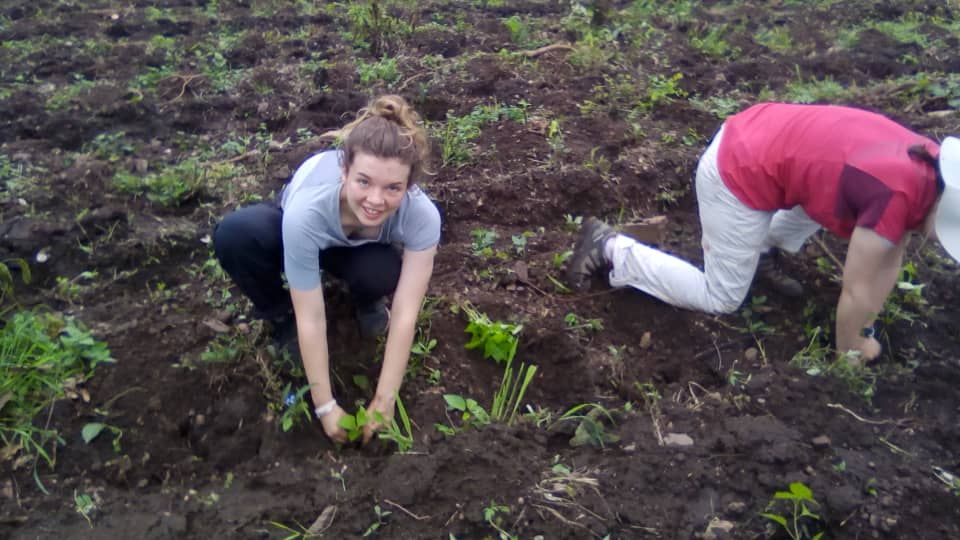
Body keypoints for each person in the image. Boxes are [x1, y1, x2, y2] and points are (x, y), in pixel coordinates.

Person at [566, 102, 960, 364]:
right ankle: (612, 247)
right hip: (736, 169)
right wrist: (851, 352)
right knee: (720, 296)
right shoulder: (895, 195)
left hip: (766, 134)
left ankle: (761, 250)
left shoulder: (925, 162)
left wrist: (867, 329)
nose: (942, 245)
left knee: (834, 192)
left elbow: (890, 258)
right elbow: (857, 289)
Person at [213, 95, 441, 443]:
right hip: (301, 232)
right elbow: (313, 318)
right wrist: (325, 406)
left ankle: (365, 299)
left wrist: (384, 400)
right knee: (237, 234)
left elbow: (406, 315)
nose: (376, 199)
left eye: (393, 187)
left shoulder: (422, 216)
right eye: (364, 181)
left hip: (359, 246)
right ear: (344, 171)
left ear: (409, 186)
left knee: (380, 272)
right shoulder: (306, 212)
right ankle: (279, 314)